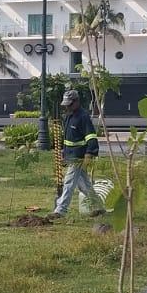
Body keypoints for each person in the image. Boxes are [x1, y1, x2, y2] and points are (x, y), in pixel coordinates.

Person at [50, 88, 105, 218]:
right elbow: (68, 138)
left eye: (69, 104)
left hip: (79, 157)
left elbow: (91, 137)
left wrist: (89, 154)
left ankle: (60, 210)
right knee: (84, 185)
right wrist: (64, 153)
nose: (67, 107)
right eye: (66, 105)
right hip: (70, 156)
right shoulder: (68, 117)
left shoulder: (83, 117)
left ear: (76, 102)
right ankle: (98, 207)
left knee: (68, 183)